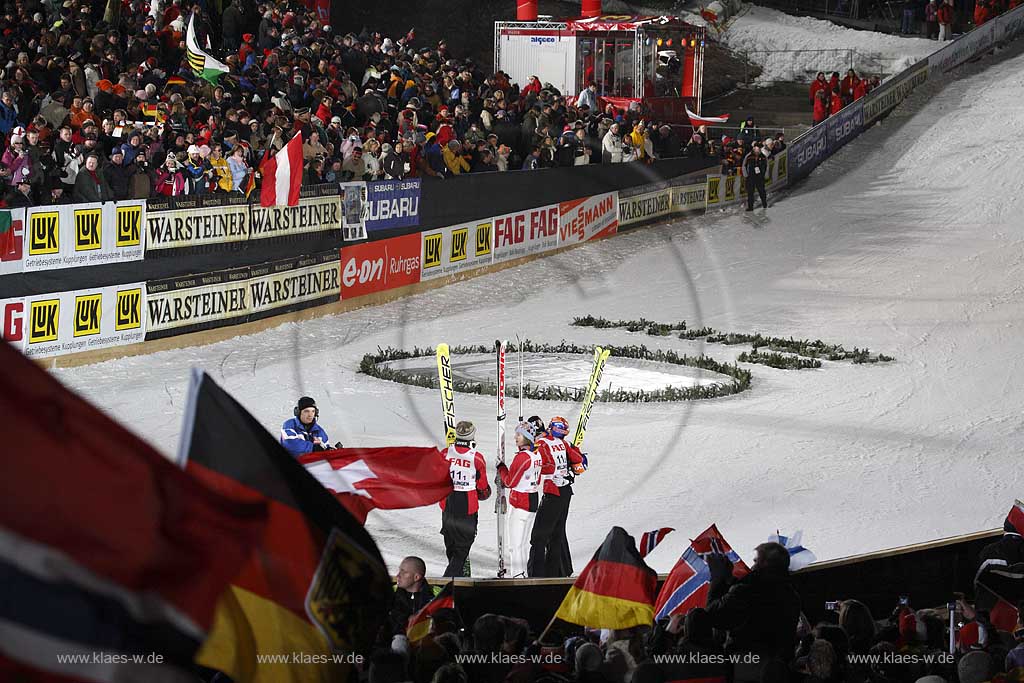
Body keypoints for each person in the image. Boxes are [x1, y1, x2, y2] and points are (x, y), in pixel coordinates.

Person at [704, 542, 801, 681]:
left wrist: (717, 578)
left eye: (756, 560)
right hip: (779, 668)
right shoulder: (791, 595)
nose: (753, 565)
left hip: (748, 666)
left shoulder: (748, 590)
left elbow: (714, 615)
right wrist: (730, 580)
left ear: (765, 563)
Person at [528, 416, 584, 577]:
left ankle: (536, 575)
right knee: (557, 535)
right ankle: (554, 573)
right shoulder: (563, 443)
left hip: (553, 492)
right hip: (565, 491)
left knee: (539, 537)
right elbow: (579, 460)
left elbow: (537, 461)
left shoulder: (543, 443)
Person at [440, 421, 491, 577]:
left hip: (448, 505)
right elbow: (483, 487)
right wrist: (485, 494)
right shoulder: (477, 458)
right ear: (472, 436)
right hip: (467, 507)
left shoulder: (444, 453)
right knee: (462, 551)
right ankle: (447, 583)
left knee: (451, 546)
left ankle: (457, 579)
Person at [497, 421, 543, 578]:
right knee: (521, 543)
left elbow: (509, 482)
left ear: (528, 437)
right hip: (531, 500)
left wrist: (501, 469)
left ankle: (517, 576)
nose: (515, 437)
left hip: (521, 502)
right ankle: (522, 574)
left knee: (515, 544)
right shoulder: (536, 454)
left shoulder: (523, 457)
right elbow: (537, 480)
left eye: (519, 434)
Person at [388, 556, 441, 637]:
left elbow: (448, 623)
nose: (398, 575)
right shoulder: (390, 593)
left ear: (416, 577)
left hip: (427, 643)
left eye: (404, 572)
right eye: (399, 571)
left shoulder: (437, 594)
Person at [743, 142, 768, 211]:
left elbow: (766, 166)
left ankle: (764, 203)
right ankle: (750, 206)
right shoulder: (749, 156)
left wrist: (765, 175)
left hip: (760, 177)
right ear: (754, 148)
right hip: (751, 177)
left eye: (760, 148)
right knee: (750, 192)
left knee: (762, 191)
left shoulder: (763, 157)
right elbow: (744, 165)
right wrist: (746, 175)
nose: (759, 149)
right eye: (757, 148)